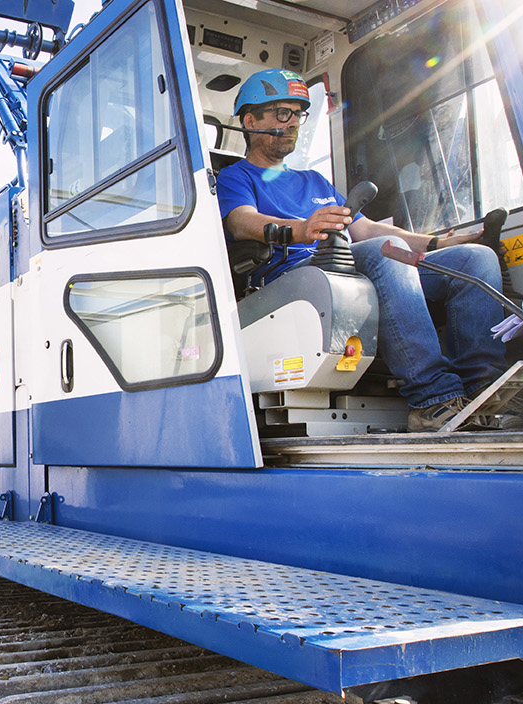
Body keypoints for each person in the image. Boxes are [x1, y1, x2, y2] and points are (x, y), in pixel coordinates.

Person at [216, 69, 507, 432]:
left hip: (349, 264)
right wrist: (303, 229)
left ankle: (484, 395)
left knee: (475, 259)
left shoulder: (315, 181)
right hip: (296, 276)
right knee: (385, 254)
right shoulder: (235, 177)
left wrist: (437, 243)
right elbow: (242, 221)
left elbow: (366, 229)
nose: (292, 123)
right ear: (250, 121)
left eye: (298, 114)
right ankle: (434, 399)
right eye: (282, 113)